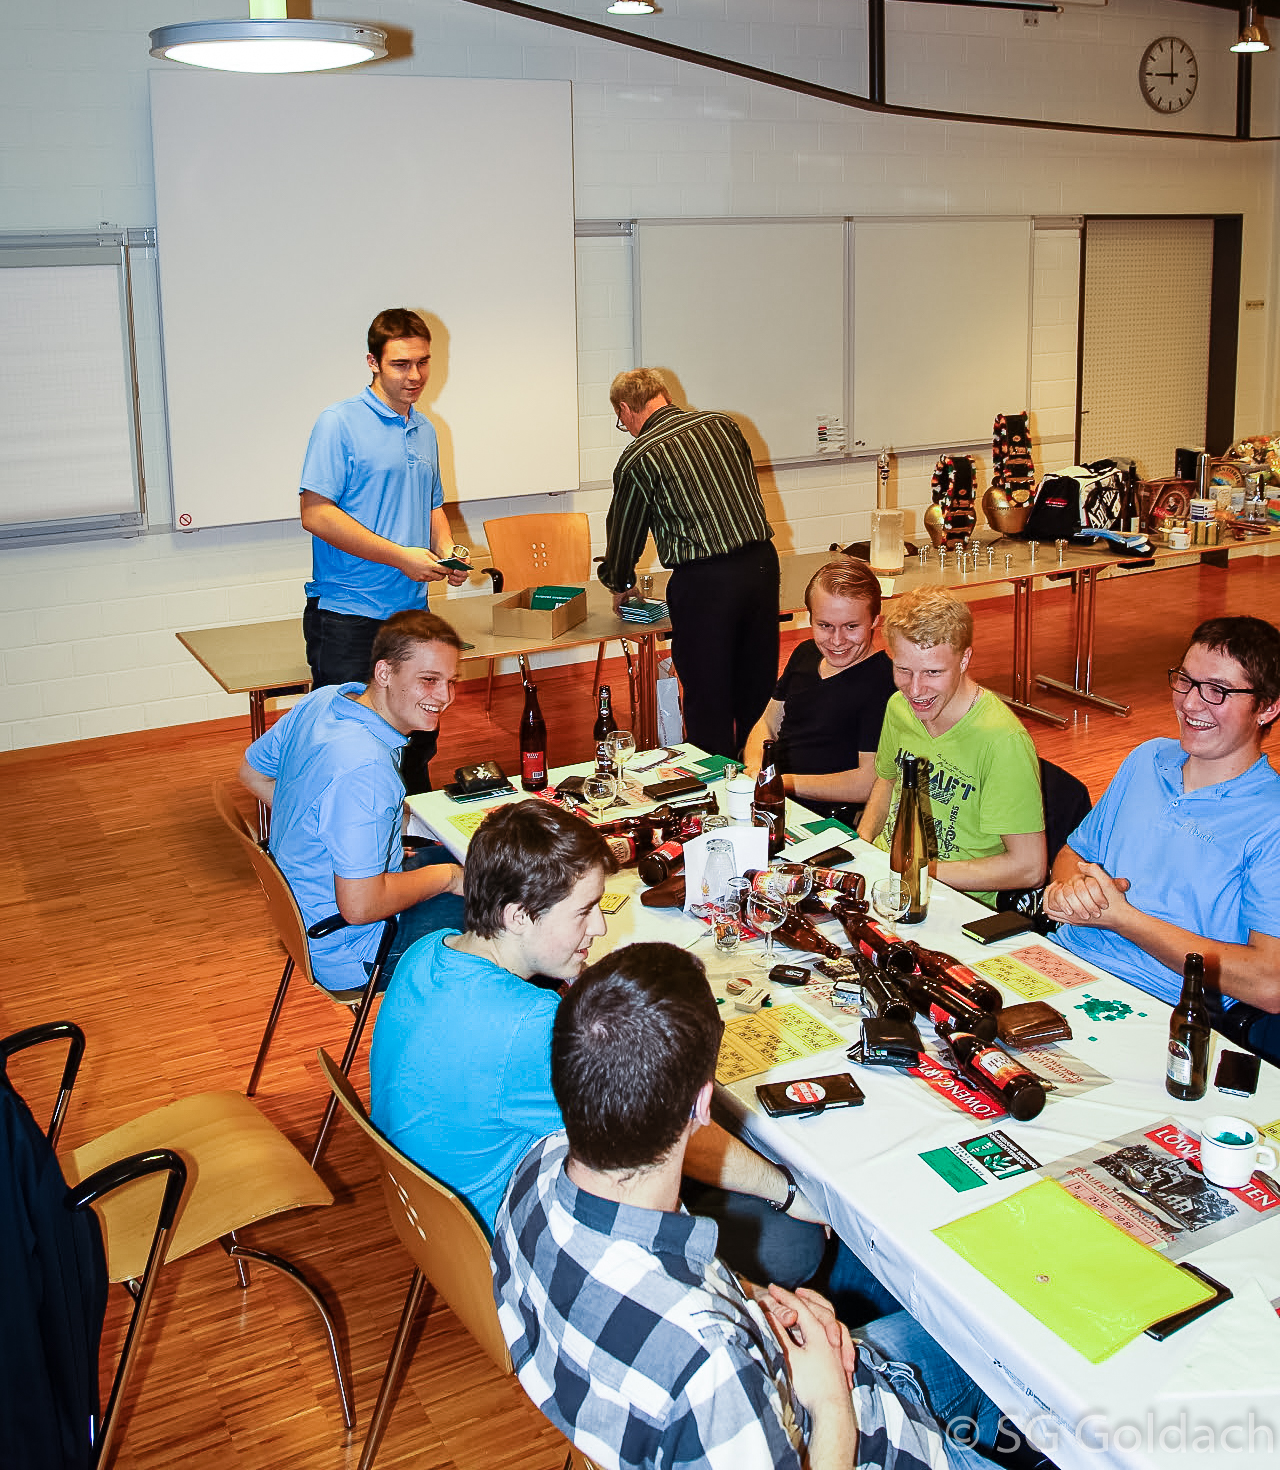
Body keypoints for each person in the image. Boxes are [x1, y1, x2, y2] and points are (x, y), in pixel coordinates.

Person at [492, 944, 1010, 1470]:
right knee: (999, 1340)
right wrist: (830, 1398)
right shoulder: (710, 1361)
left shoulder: (537, 1169)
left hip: (761, 1375)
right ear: (702, 1105)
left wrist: (753, 1303)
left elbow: (665, 1287)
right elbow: (718, 1364)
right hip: (864, 1436)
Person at [370, 797, 853, 1297]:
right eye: (583, 911)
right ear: (517, 916)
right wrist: (787, 1190)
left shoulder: (427, 950)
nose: (598, 927)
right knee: (796, 1240)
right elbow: (667, 1138)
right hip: (514, 1252)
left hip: (432, 1223)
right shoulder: (531, 1026)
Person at [1046, 615, 1280, 1064]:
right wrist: (1074, 891)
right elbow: (1074, 854)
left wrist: (1123, 919)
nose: (1191, 703)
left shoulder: (1270, 819)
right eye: (1185, 681)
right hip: (1062, 962)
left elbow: (1269, 984)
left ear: (1266, 708)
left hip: (1159, 1008)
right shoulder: (1147, 758)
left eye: (1217, 690)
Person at [238, 610, 465, 992]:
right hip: (356, 949)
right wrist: (449, 878)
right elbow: (360, 907)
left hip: (309, 917)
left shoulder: (326, 700)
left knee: (470, 867)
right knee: (518, 921)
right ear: (384, 673)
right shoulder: (366, 769)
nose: (444, 697)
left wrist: (358, 846)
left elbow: (252, 773)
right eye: (428, 680)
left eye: (450, 681)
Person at [300, 307, 469, 793]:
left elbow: (432, 506)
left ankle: (409, 837)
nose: (414, 376)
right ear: (373, 362)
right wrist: (400, 556)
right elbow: (316, 514)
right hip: (349, 617)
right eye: (400, 364)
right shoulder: (338, 423)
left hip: (411, 615)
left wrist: (448, 550)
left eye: (423, 362)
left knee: (416, 746)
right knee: (351, 751)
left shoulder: (426, 429)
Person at [598, 368, 779, 759]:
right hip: (761, 566)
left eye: (622, 422)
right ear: (664, 395)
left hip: (705, 582)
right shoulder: (723, 425)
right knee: (758, 685)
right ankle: (760, 775)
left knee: (708, 696)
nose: (626, 429)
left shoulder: (639, 456)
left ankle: (713, 781)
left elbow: (625, 531)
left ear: (626, 410)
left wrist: (620, 582)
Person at [857, 588, 1045, 906]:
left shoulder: (1002, 742)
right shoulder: (899, 707)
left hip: (952, 899)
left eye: (933, 672)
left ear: (964, 660)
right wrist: (862, 846)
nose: (915, 690)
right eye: (903, 670)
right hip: (886, 879)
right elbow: (886, 781)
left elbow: (1029, 868)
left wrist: (917, 871)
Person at [745, 557, 896, 830]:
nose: (837, 640)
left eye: (851, 627)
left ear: (874, 620)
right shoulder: (805, 653)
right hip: (773, 796)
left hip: (822, 813)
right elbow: (767, 723)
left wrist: (779, 782)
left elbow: (868, 783)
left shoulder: (883, 681)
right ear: (810, 618)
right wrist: (756, 768)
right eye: (825, 626)